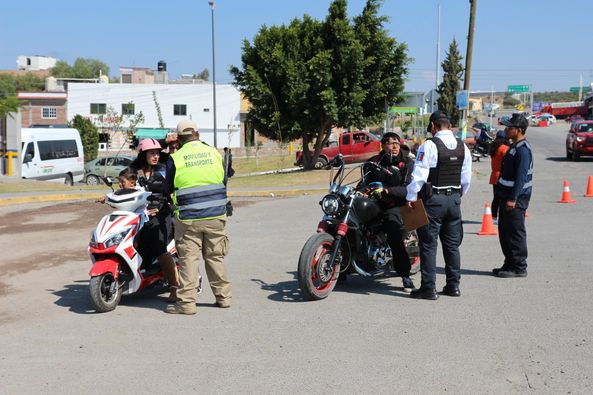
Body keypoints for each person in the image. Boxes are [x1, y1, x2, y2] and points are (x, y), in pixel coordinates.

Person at [164, 119, 231, 315]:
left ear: (179, 139)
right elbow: (223, 180)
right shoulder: (214, 153)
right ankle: (224, 298)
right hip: (216, 215)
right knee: (215, 257)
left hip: (188, 218)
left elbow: (168, 188)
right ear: (198, 134)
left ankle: (186, 304)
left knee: (189, 260)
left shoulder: (176, 158)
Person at [406, 110, 472, 300]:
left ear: (433, 126)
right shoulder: (463, 147)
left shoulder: (429, 145)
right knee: (452, 246)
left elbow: (419, 174)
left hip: (434, 200)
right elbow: (466, 179)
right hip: (454, 200)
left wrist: (410, 197)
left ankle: (428, 288)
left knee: (428, 245)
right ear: (449, 126)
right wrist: (456, 196)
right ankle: (453, 286)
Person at [129, 139, 179, 302]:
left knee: (159, 248)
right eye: (152, 153)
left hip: (162, 213)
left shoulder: (164, 168)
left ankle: (174, 288)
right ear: (144, 155)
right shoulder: (135, 171)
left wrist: (161, 205)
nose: (156, 156)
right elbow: (125, 186)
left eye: (157, 153)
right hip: (141, 214)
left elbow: (168, 192)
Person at [365, 132, 416, 292]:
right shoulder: (374, 162)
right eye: (389, 143)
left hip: (397, 204)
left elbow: (408, 188)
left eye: (396, 142)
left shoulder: (407, 162)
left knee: (393, 232)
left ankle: (405, 275)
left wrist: (388, 191)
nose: (393, 146)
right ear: (383, 145)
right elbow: (364, 182)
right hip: (376, 202)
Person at [492, 114, 533, 278]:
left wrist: (513, 199)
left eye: (510, 127)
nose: (506, 129)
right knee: (505, 232)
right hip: (505, 195)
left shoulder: (523, 151)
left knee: (515, 232)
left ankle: (519, 266)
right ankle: (509, 263)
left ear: (519, 130)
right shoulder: (513, 147)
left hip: (515, 199)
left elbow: (521, 177)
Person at [488, 130, 510, 224]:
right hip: (502, 175)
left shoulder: (493, 148)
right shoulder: (505, 148)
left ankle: (494, 217)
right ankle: (502, 217)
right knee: (503, 198)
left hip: (494, 175)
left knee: (496, 198)